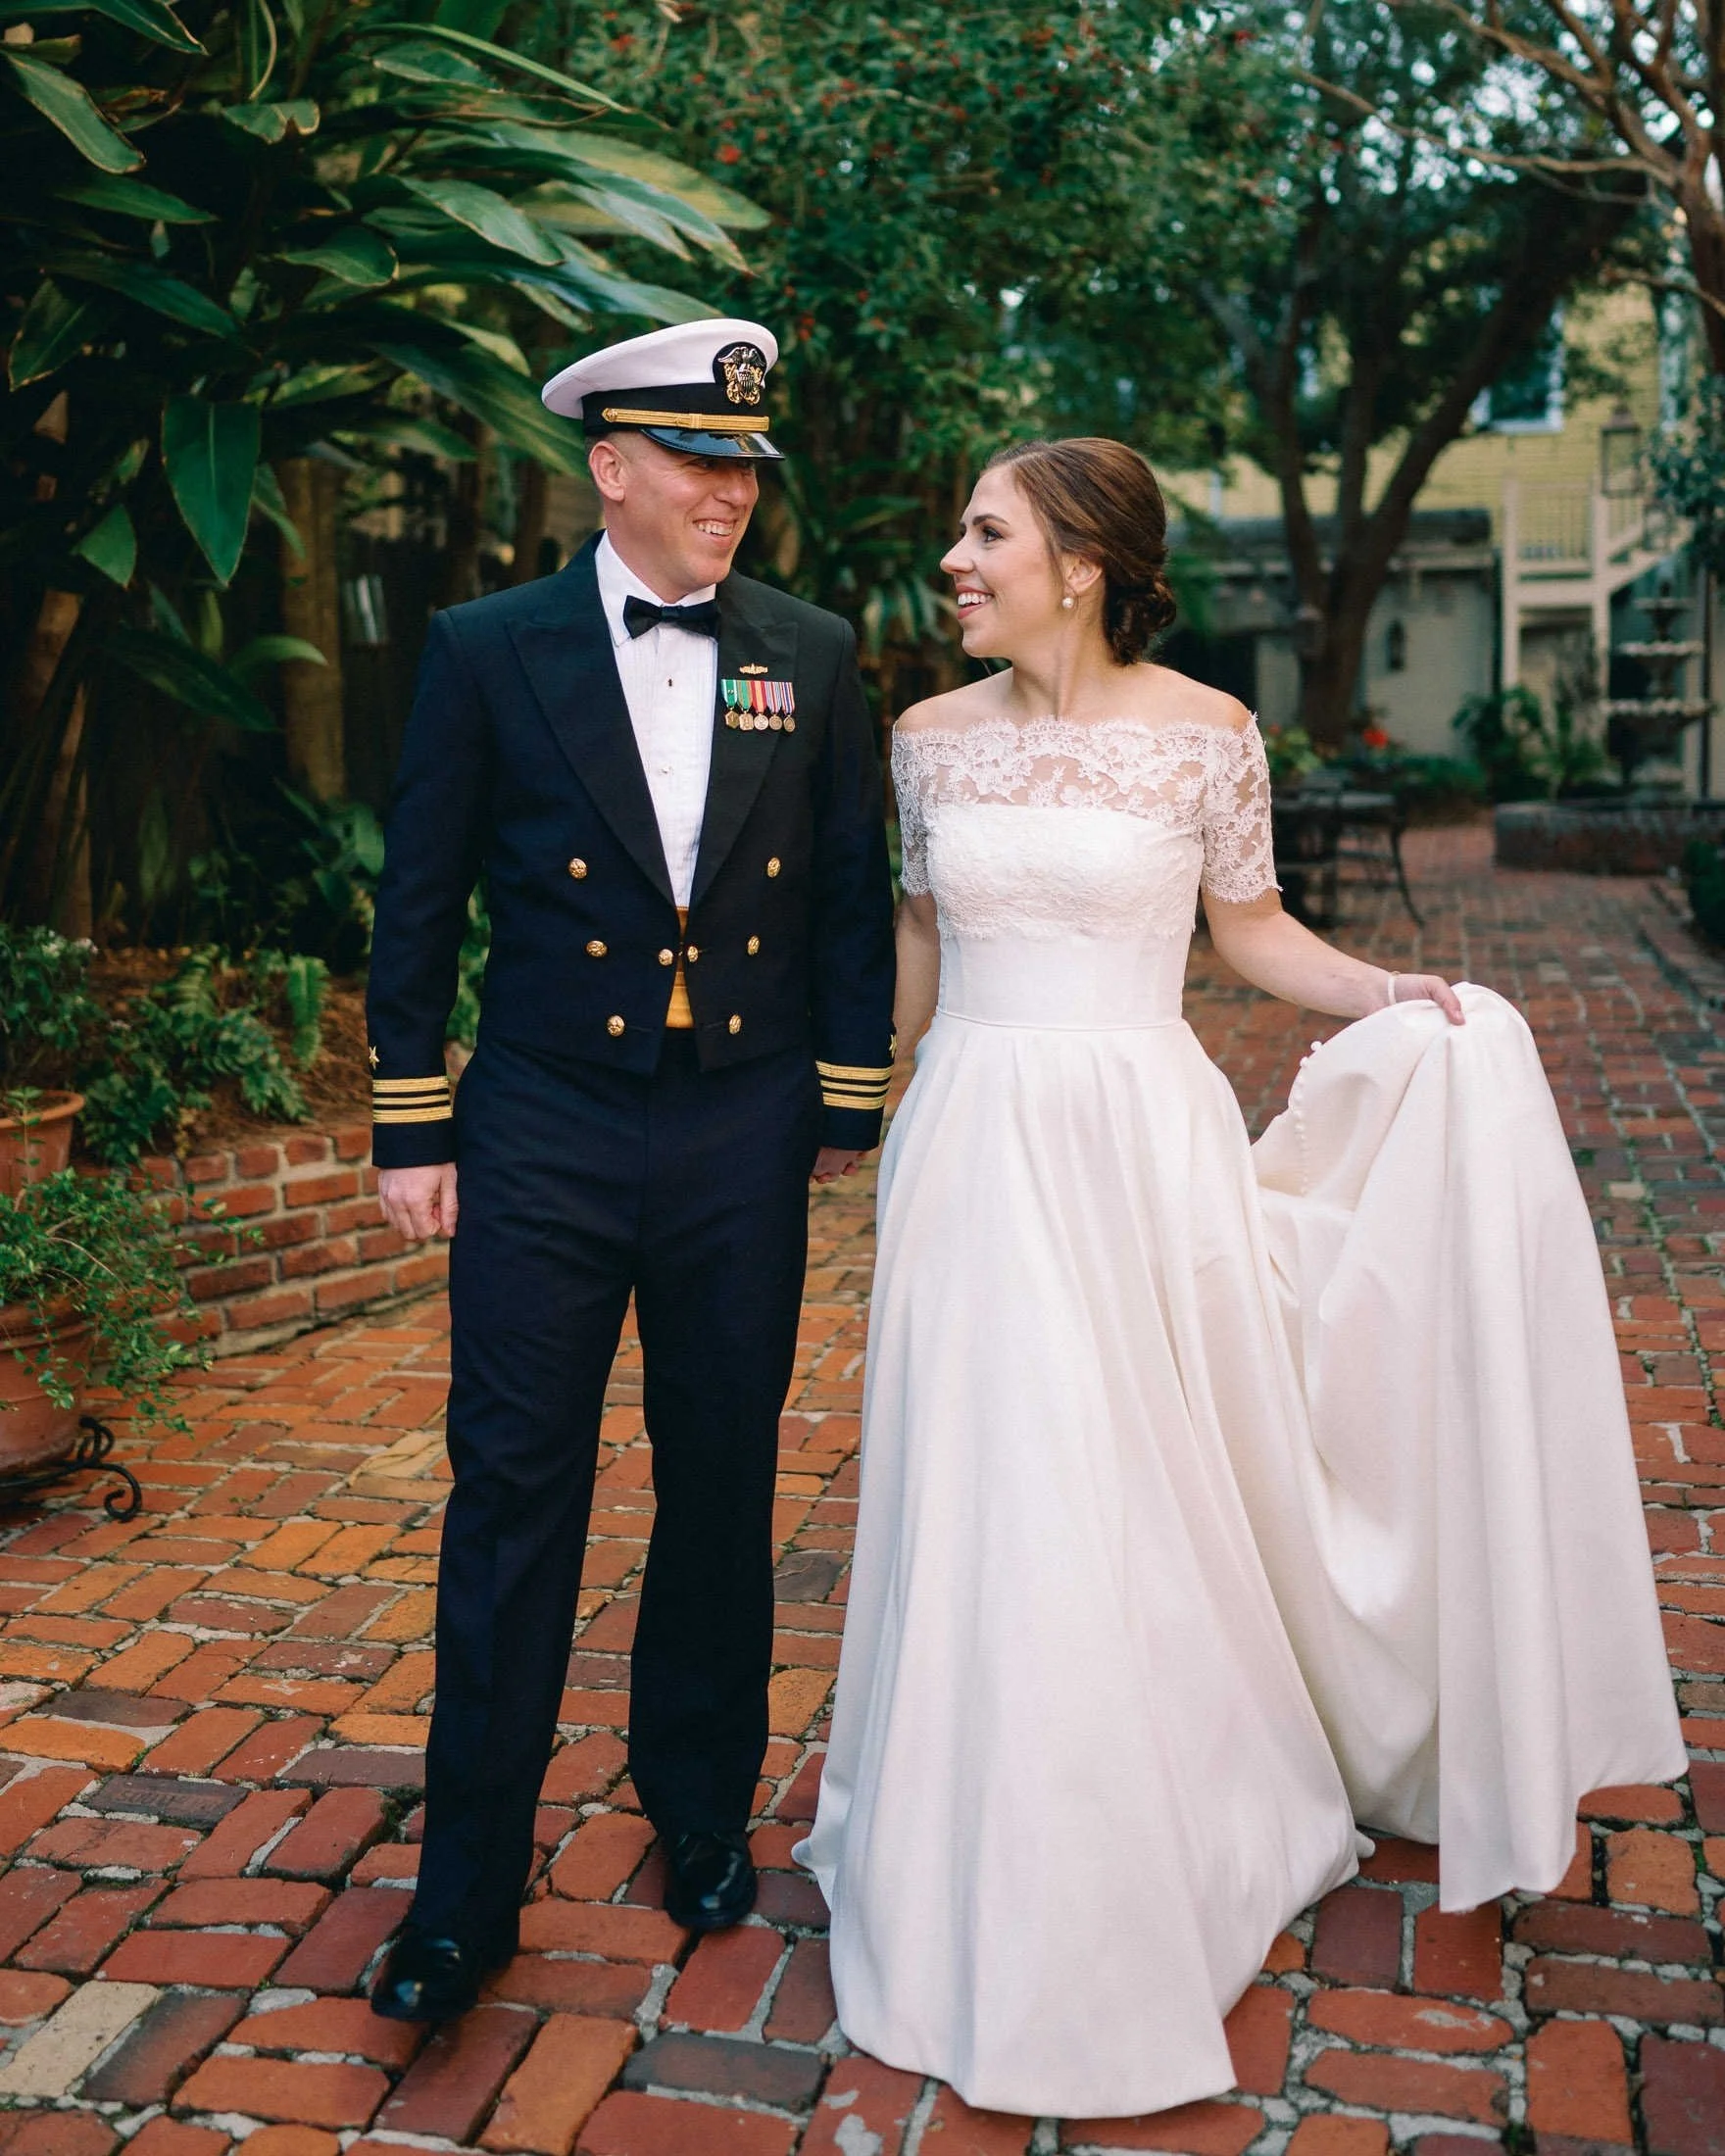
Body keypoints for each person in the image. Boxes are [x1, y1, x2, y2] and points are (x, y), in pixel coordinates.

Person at [795, 436, 1684, 2117]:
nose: (956, 562)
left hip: (1145, 1142)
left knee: (1126, 1475)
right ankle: (986, 1829)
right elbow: (916, 951)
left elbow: (1251, 935)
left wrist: (1397, 994)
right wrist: (831, 1108)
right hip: (976, 1143)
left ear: (1081, 562)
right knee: (1002, 1476)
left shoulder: (1208, 735)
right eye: (961, 534)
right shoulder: (924, 742)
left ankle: (1161, 1811)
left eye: (986, 535)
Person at [364, 318, 896, 2023]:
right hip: (542, 1130)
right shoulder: (486, 644)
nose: (729, 495)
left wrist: (844, 1094)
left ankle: (698, 1812)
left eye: (745, 467)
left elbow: (844, 890)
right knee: (514, 1493)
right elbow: (421, 890)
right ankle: (462, 1895)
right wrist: (409, 1120)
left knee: (722, 1478)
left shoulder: (810, 651)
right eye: (697, 462)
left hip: (738, 1124)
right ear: (611, 469)